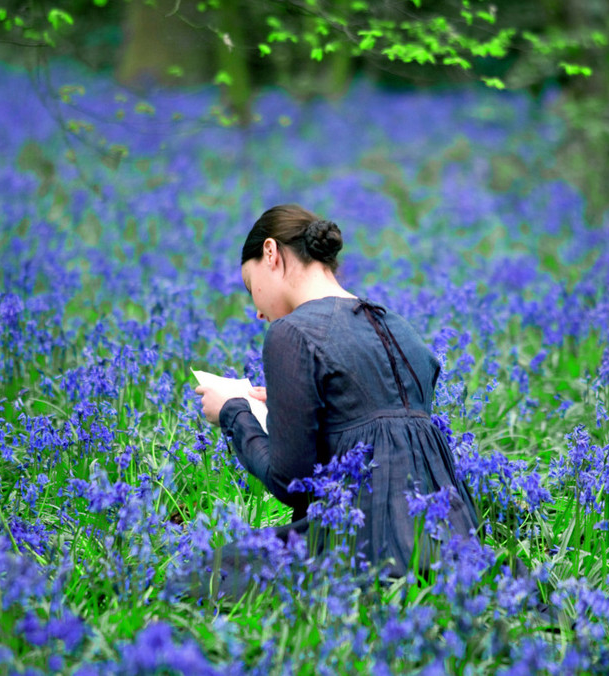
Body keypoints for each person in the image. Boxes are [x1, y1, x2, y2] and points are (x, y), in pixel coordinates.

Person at [191, 203, 480, 594]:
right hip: (451, 545)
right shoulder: (399, 327)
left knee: (203, 576)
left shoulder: (292, 333)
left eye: (250, 285)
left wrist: (232, 412)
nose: (257, 311)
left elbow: (291, 481)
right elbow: (378, 428)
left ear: (271, 254)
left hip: (363, 543)